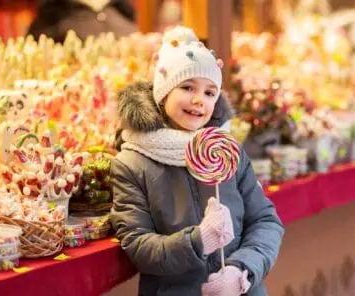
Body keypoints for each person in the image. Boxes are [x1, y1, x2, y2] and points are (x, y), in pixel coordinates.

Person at [110, 26, 284, 296]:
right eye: (187, 86)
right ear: (163, 92)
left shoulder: (228, 152)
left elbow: (266, 221)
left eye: (209, 92)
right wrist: (198, 240)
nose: (198, 100)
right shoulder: (131, 163)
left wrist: (242, 271)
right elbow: (138, 245)